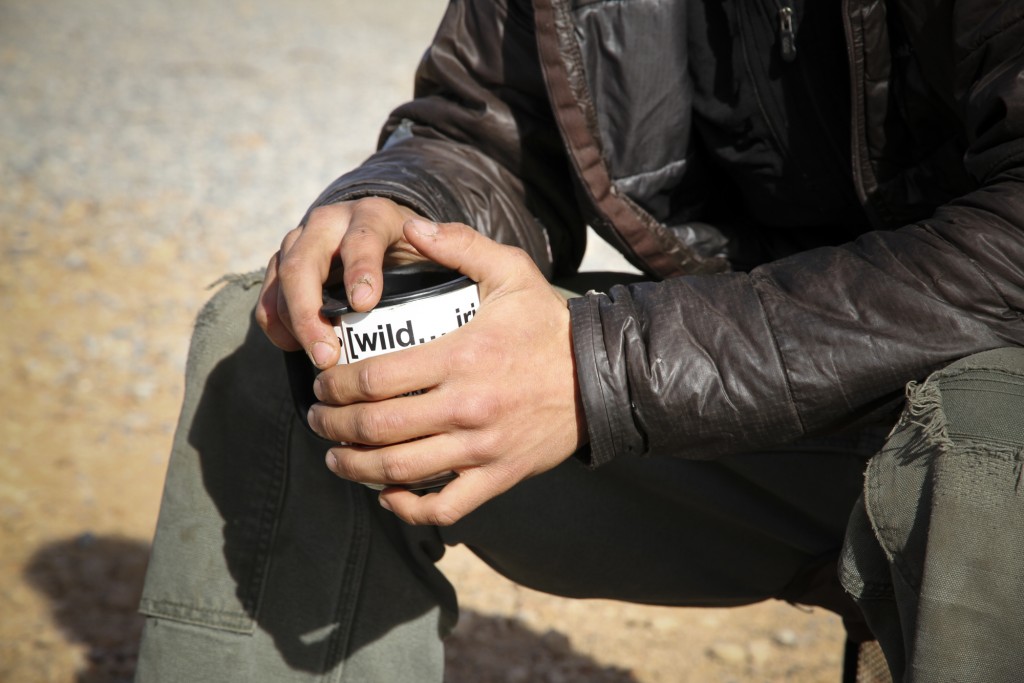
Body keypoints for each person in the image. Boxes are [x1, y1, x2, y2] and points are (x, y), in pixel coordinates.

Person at [134, 0, 1024, 681]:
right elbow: (485, 127)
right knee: (295, 345)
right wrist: (406, 209)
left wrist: (600, 365)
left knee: (983, 448)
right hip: (758, 410)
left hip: (975, 419)